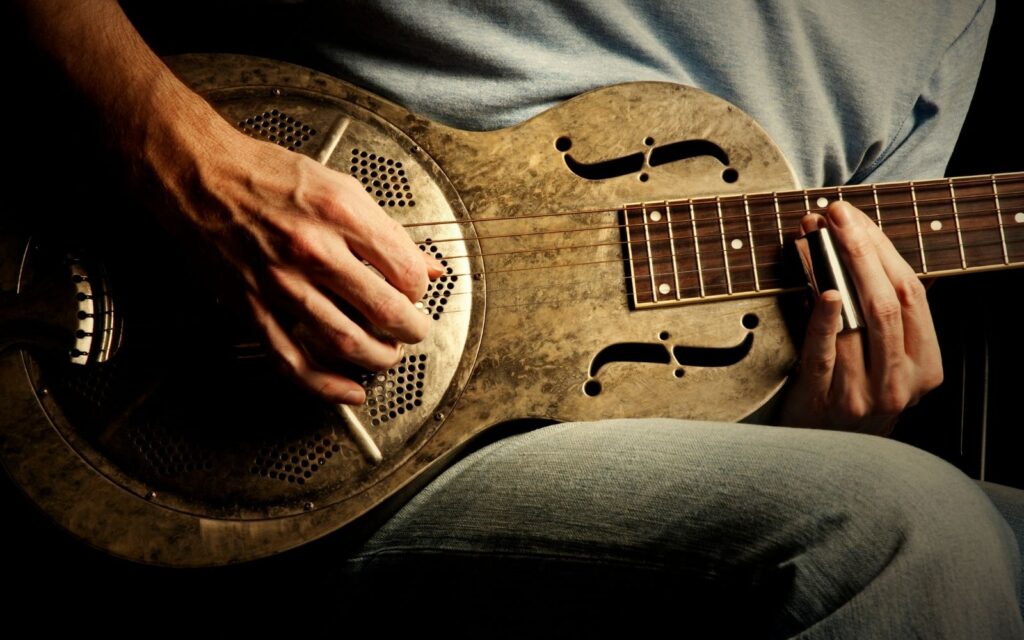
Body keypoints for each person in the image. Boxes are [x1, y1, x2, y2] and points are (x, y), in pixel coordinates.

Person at [10, 0, 1023, 635]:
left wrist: (837, 423)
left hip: (640, 458)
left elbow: (833, 344)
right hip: (277, 413)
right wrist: (180, 157)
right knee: (907, 528)